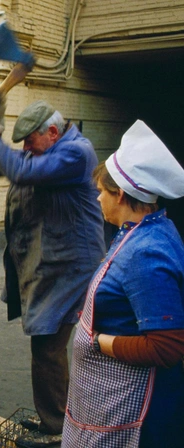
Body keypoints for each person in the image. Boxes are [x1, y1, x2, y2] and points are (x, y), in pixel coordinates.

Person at [0, 96, 105, 446]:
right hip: (49, 262)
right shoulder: (48, 149)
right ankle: (55, 419)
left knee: (48, 344)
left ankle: (58, 427)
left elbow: (21, 170)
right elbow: (1, 166)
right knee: (46, 345)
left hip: (72, 268)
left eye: (30, 141)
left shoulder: (76, 153)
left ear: (53, 132)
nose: (26, 148)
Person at [61, 121, 184, 447]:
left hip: (132, 411)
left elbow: (167, 346)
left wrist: (99, 341)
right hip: (107, 399)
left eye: (102, 191)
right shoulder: (143, 229)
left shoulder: (146, 252)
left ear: (120, 194)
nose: (98, 197)